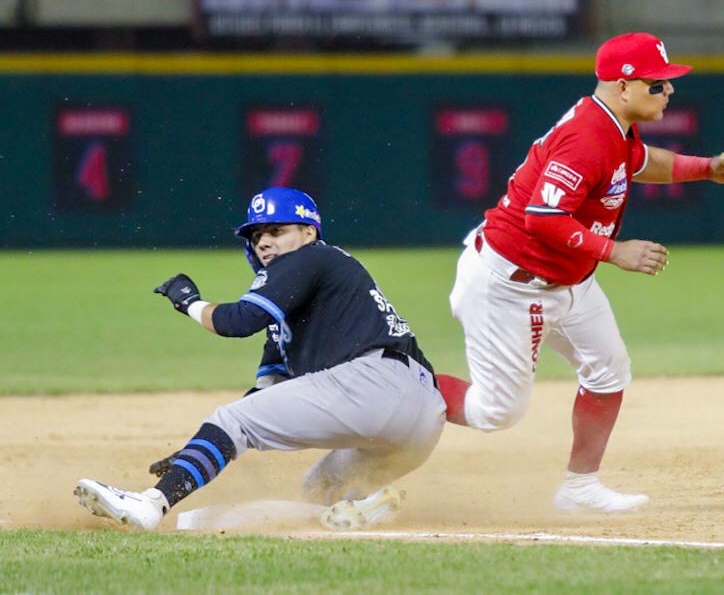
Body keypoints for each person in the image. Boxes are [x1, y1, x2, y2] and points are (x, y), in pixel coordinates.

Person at [435, 32, 724, 513]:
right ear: (624, 87)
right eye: (657, 84)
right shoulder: (588, 136)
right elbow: (543, 216)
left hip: (568, 279)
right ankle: (397, 388)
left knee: (608, 371)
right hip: (510, 285)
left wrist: (712, 168)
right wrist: (613, 251)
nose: (669, 91)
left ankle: (580, 488)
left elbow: (640, 163)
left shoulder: (614, 127)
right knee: (495, 412)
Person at [75, 187, 446, 530]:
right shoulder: (296, 305)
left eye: (277, 230)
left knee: (229, 419)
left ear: (308, 232)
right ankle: (368, 508)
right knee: (319, 491)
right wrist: (198, 453)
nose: (265, 242)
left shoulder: (312, 257)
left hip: (372, 385)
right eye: (257, 236)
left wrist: (188, 303)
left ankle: (150, 504)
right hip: (421, 420)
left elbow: (236, 321)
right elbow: (265, 397)